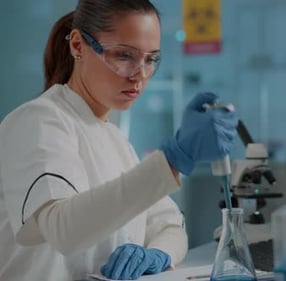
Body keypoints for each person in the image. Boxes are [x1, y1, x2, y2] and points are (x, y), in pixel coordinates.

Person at [0, 0, 238, 280]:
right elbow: (61, 230)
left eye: (151, 59)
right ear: (77, 45)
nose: (140, 74)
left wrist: (158, 254)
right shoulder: (38, 120)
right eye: (124, 56)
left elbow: (171, 226)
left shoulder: (116, 140)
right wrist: (172, 159)